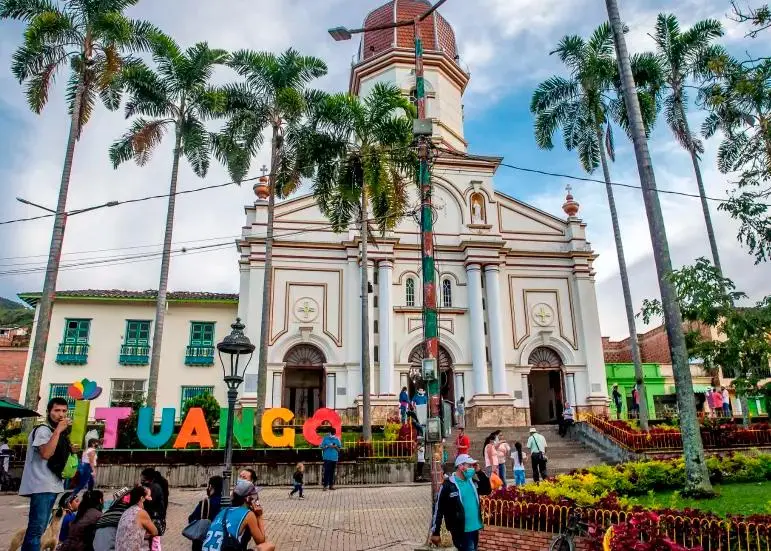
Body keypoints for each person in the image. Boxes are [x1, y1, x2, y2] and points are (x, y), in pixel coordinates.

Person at [19, 397, 71, 551]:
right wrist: (58, 431)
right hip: (41, 485)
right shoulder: (43, 430)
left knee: (39, 529)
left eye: (64, 411)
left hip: (50, 485)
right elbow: (46, 453)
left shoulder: (53, 431)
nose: (61, 414)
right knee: (37, 529)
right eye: (57, 410)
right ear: (49, 412)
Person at [430, 454, 491, 551]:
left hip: (475, 527)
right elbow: (438, 509)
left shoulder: (472, 482)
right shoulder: (448, 485)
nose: (472, 468)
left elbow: (487, 490)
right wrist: (435, 532)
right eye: (469, 465)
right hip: (460, 530)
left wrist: (479, 472)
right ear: (460, 466)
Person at [202, 480, 275, 551]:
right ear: (248, 499)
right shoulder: (248, 514)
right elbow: (261, 541)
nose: (256, 498)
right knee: (269, 546)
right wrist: (259, 516)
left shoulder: (223, 511)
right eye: (254, 495)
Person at [114, 486, 158, 551]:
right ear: (142, 498)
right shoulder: (141, 512)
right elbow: (155, 532)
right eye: (148, 496)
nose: (150, 499)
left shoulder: (126, 512)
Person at [188, 476, 223, 551]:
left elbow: (191, 519)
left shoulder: (205, 503)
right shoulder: (226, 503)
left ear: (211, 487)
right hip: (219, 542)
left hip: (204, 542)